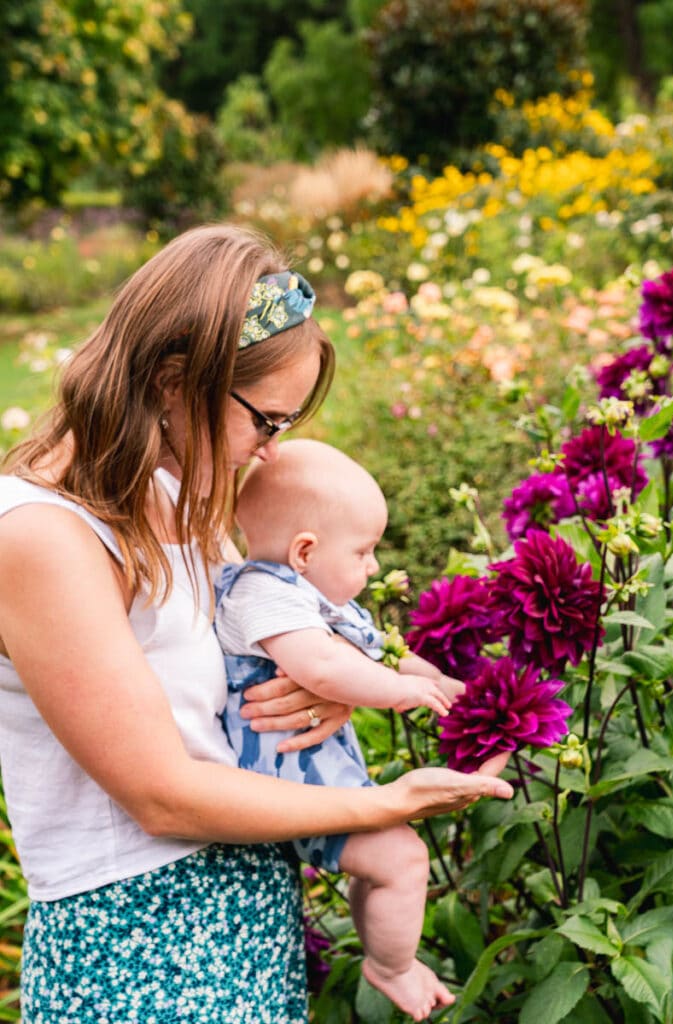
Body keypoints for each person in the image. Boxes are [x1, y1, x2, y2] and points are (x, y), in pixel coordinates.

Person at [0, 224, 513, 1024]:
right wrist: (387, 804)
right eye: (265, 420)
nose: (271, 453)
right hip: (136, 942)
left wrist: (324, 692)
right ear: (174, 379)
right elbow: (161, 796)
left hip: (246, 906)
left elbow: (242, 667)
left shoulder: (173, 493)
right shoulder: (40, 537)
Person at [215, 438, 465, 1021]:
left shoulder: (317, 601)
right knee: (403, 859)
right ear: (305, 551)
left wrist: (445, 686)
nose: (373, 567)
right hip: (286, 787)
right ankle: (391, 967)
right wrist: (401, 694)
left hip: (309, 780)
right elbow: (322, 668)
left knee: (388, 860)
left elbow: (388, 653)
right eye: (364, 551)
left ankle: (383, 948)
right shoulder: (262, 595)